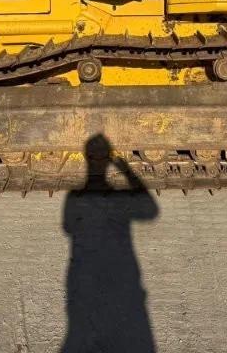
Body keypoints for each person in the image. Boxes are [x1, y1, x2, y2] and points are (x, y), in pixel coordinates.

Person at [61, 134, 160, 353]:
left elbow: (68, 228)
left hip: (85, 268)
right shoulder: (120, 197)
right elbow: (150, 211)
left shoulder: (74, 197)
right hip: (119, 268)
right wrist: (127, 172)